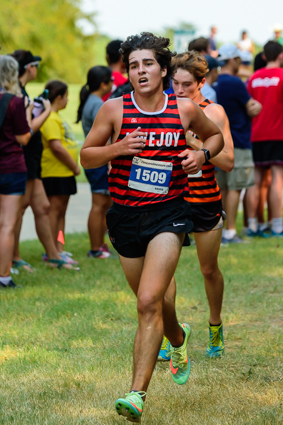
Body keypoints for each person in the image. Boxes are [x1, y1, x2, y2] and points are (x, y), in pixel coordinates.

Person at [80, 32, 224, 422]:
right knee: (157, 302)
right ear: (127, 72)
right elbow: (86, 157)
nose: (140, 71)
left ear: (163, 69)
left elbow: (216, 136)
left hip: (169, 214)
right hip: (125, 218)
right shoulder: (113, 109)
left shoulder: (183, 110)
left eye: (147, 64)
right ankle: (178, 338)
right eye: (133, 65)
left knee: (147, 301)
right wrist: (118, 148)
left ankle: (136, 395)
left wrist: (201, 154)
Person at [158, 51, 234, 361]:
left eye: (186, 85)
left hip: (204, 201)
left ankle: (215, 328)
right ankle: (170, 334)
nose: (178, 90)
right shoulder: (163, 110)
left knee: (208, 269)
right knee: (162, 274)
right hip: (171, 200)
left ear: (202, 82)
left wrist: (197, 146)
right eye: (174, 83)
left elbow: (228, 162)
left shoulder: (212, 112)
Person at [12, 50, 74, 270]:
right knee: (18, 210)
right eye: (36, 65)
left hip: (34, 161)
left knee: (43, 207)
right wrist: (45, 111)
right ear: (29, 67)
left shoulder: (23, 91)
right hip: (25, 158)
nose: (37, 69)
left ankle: (54, 254)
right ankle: (14, 257)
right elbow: (25, 131)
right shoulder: (16, 92)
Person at [214, 43, 262, 243]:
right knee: (235, 188)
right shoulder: (235, 83)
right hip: (238, 142)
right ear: (233, 60)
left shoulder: (215, 82)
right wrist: (257, 105)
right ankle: (231, 232)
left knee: (223, 188)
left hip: (218, 143)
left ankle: (222, 231)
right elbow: (252, 107)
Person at [0, 55, 32, 288]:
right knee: (8, 225)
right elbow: (23, 137)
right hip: (11, 167)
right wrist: (30, 114)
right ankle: (4, 276)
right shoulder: (14, 101)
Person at [40, 80, 81, 256]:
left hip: (64, 173)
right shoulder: (50, 119)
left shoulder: (57, 117)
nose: (67, 100)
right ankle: (51, 252)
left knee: (61, 213)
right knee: (54, 213)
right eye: (66, 97)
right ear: (58, 97)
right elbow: (56, 147)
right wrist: (75, 167)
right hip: (55, 173)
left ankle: (59, 247)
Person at [76, 66, 113, 258]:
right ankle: (95, 248)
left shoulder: (91, 100)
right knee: (99, 206)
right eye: (110, 81)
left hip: (97, 161)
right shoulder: (98, 104)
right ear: (103, 84)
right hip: (99, 161)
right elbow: (105, 137)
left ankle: (100, 245)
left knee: (102, 205)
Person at [247, 41, 283, 236]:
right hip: (278, 134)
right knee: (278, 178)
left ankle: (253, 224)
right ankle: (277, 225)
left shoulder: (253, 78)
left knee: (256, 179)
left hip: (256, 134)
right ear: (280, 56)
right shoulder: (282, 76)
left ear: (263, 57)